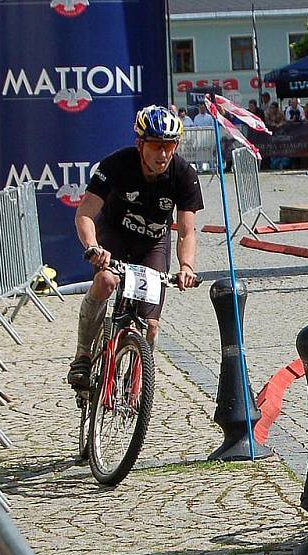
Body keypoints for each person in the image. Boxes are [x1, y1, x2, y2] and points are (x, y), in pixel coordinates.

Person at [67, 106, 203, 389]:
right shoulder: (117, 164)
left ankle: (138, 383)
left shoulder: (184, 174)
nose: (163, 154)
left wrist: (187, 267)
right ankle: (82, 354)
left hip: (152, 243)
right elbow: (85, 213)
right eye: (156, 146)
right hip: (114, 235)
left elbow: (187, 231)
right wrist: (92, 246)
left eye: (169, 146)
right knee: (105, 281)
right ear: (140, 144)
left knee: (151, 325)